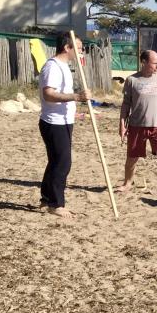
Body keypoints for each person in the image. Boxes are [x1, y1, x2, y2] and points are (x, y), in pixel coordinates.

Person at [38, 33, 89, 219]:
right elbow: (49, 95)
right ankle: (56, 204)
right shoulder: (52, 67)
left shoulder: (65, 66)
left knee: (55, 161)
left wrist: (73, 111)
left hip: (64, 120)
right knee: (62, 163)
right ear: (67, 48)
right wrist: (77, 97)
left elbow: (61, 95)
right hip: (53, 122)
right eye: (79, 47)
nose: (81, 51)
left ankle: (45, 198)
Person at [116, 50, 157, 200]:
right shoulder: (132, 80)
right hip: (137, 125)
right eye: (155, 63)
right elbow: (126, 105)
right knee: (132, 158)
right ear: (144, 62)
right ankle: (127, 183)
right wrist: (122, 123)